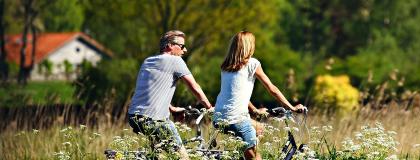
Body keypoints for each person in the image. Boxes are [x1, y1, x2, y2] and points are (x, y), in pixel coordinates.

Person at [213, 31, 306, 160]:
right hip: (236, 119)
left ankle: (244, 150)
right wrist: (292, 107)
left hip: (218, 117)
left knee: (259, 127)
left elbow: (236, 94)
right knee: (255, 157)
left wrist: (254, 110)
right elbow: (272, 88)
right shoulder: (252, 63)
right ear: (249, 46)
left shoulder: (226, 66)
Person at [127, 30, 213, 159]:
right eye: (182, 46)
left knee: (158, 155)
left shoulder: (148, 61)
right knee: (183, 157)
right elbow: (194, 87)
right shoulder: (175, 60)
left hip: (133, 116)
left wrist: (172, 108)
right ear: (169, 46)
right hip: (154, 119)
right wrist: (209, 107)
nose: (185, 50)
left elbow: (151, 92)